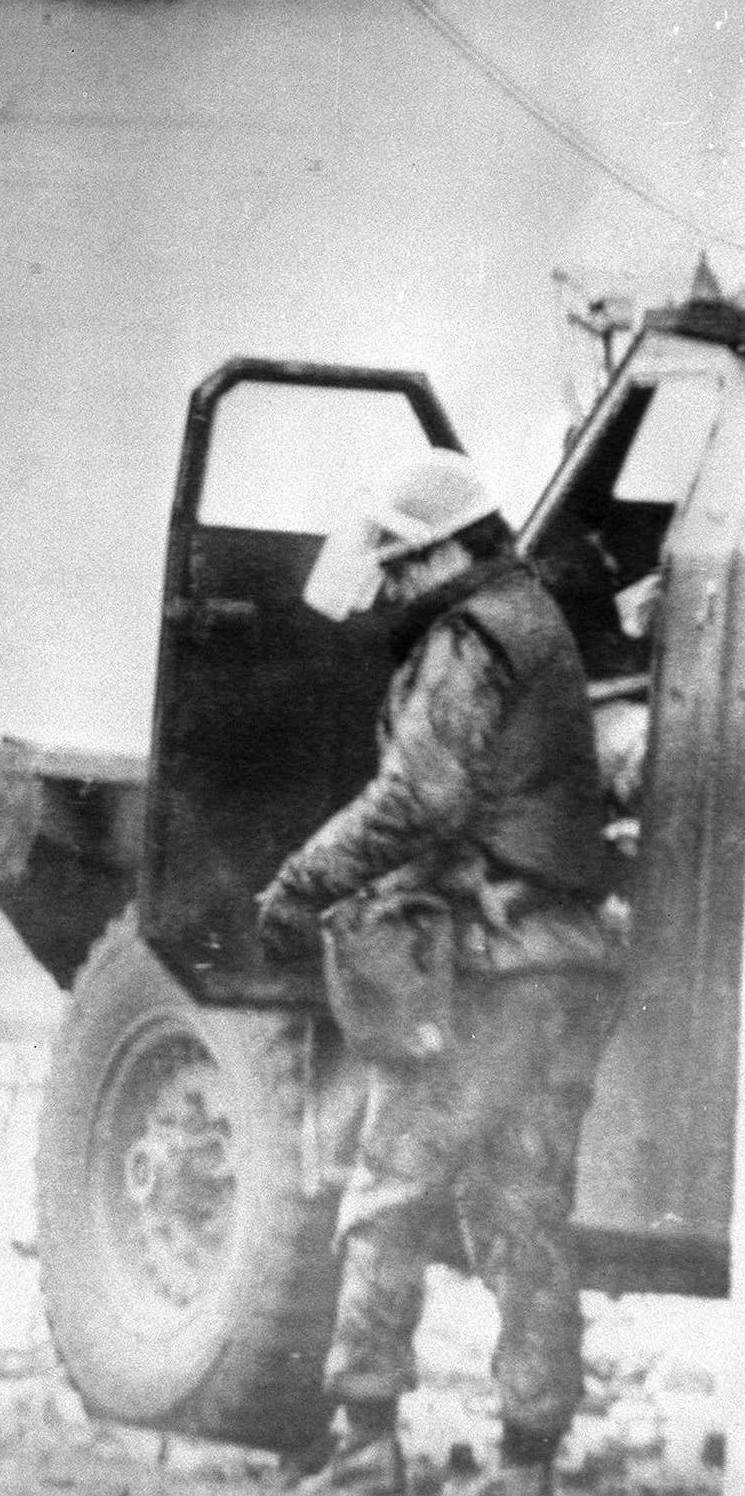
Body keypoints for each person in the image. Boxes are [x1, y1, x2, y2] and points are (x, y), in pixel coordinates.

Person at [253, 451, 621, 1496]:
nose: (395, 584)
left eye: (405, 563)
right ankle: (526, 1462)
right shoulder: (530, 616)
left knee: (386, 1196)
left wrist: (298, 882)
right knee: (522, 1213)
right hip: (557, 964)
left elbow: (417, 798)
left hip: (484, 969)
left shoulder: (469, 637)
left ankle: (363, 1446)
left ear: (454, 550)